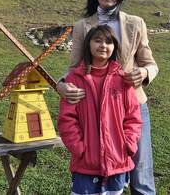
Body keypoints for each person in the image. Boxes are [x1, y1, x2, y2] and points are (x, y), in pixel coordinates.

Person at [57, 0, 159, 194]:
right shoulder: (83, 26)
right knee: (103, 175)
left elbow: (150, 63)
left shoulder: (136, 23)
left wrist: (144, 73)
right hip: (93, 108)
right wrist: (60, 84)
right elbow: (74, 68)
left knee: (141, 175)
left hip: (133, 106)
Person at [58, 25, 142, 195]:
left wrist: (128, 145)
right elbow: (67, 120)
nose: (103, 45)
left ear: (114, 47)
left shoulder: (122, 81)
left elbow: (133, 118)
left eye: (109, 42)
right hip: (86, 164)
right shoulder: (75, 79)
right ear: (88, 44)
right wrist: (79, 149)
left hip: (117, 161)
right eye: (98, 40)